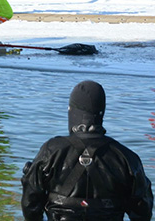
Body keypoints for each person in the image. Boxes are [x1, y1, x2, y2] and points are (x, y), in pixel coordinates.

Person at [21, 80, 153, 221]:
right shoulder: (125, 158)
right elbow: (143, 211)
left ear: (71, 111)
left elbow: (30, 204)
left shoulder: (51, 151)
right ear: (101, 113)